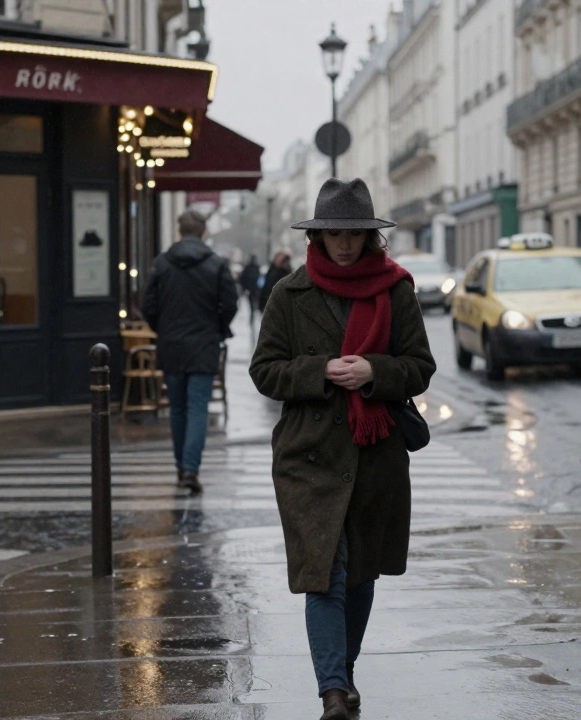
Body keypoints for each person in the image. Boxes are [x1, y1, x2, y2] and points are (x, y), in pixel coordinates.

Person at [249, 178, 436, 720]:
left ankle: (344, 672)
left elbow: (420, 367)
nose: (346, 244)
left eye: (355, 233)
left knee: (360, 574)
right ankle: (332, 688)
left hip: (373, 455)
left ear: (371, 235)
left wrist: (376, 371)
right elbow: (264, 371)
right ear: (319, 234)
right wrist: (320, 371)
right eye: (335, 233)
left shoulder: (396, 290)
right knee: (324, 572)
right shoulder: (290, 293)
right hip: (309, 456)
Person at [141, 209, 238, 495]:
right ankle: (191, 469)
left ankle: (181, 466)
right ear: (203, 231)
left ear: (179, 231)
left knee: (178, 408)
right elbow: (230, 304)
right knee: (197, 408)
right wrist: (217, 327)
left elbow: (148, 305)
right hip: (204, 344)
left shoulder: (161, 263)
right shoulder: (216, 264)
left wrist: (163, 329)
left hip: (172, 345)